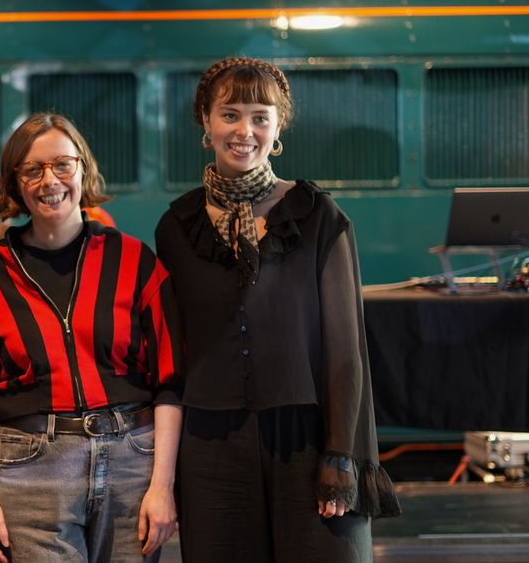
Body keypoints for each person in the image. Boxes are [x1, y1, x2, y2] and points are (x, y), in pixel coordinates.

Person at [154, 57, 401, 562]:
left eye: (260, 116)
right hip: (210, 447)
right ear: (205, 121)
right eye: (230, 114)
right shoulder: (177, 227)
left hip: (308, 442)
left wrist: (340, 454)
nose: (245, 130)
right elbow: (172, 353)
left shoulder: (317, 216)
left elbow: (346, 352)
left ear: (278, 127)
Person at [0, 112, 183, 562]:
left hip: (133, 462)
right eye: (31, 170)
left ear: (82, 168)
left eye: (62, 164)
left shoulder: (134, 261)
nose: (48, 181)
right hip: (33, 471)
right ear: (15, 183)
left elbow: (170, 383)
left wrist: (163, 485)